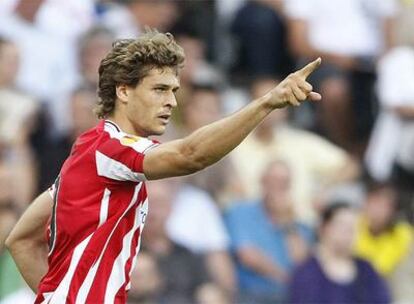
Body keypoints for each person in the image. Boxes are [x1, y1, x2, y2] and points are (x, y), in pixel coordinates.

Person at [5, 29, 322, 303]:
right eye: (159, 89)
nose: (171, 101)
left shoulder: (90, 151)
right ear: (123, 90)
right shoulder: (111, 149)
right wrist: (266, 103)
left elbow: (20, 239)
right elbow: (190, 155)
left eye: (174, 91)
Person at [225, 160, 313, 303]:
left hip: (288, 295)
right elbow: (248, 256)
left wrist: (287, 223)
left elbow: (301, 265)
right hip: (251, 293)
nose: (277, 187)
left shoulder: (298, 226)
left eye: (283, 183)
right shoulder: (241, 211)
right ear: (262, 182)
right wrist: (286, 278)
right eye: (272, 181)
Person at [289, 202, 391, 304]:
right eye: (342, 225)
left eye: (354, 227)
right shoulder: (306, 274)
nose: (348, 231)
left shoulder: (367, 270)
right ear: (324, 228)